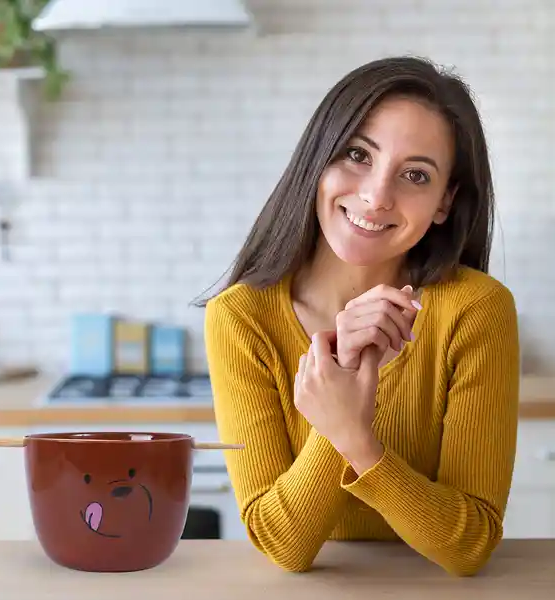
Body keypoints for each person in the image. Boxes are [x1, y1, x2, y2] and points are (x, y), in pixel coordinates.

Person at [198, 55, 519, 577]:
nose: (376, 196)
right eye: (357, 154)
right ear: (318, 160)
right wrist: (339, 398)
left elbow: (470, 545)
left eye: (416, 175)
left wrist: (356, 438)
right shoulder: (241, 317)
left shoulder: (476, 311)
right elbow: (283, 545)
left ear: (445, 201)